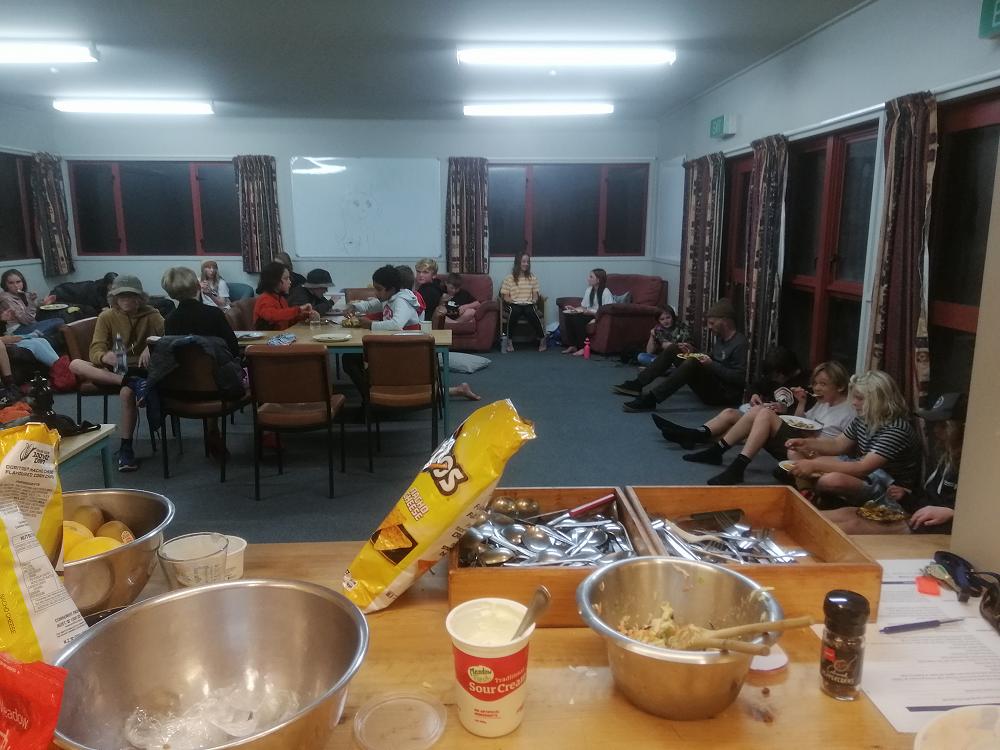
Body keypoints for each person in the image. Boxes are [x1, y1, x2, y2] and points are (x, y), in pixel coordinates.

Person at [688, 360, 855, 485]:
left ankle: (735, 466)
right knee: (757, 411)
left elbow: (843, 448)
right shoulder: (823, 402)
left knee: (765, 414)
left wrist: (812, 440)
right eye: (815, 383)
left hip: (816, 454)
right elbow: (804, 422)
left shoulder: (848, 412)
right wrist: (802, 403)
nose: (817, 388)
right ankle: (718, 451)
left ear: (840, 386)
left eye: (823, 384)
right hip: (801, 442)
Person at [822, 393, 966, 535]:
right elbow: (928, 500)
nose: (936, 430)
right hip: (918, 513)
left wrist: (952, 513)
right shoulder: (946, 457)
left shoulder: (971, 465)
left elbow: (976, 513)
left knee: (854, 526)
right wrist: (905, 497)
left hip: (936, 527)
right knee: (849, 513)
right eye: (936, 424)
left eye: (943, 426)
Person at [784, 369, 921, 510]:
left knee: (831, 480)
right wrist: (806, 443)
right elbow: (837, 444)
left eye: (859, 398)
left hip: (888, 486)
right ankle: (808, 492)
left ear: (879, 400)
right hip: (866, 471)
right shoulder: (864, 418)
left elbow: (862, 468)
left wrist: (814, 466)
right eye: (854, 397)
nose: (854, 403)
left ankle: (811, 494)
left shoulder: (896, 430)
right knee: (795, 451)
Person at [68, 275, 165, 472]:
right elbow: (95, 349)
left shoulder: (152, 315)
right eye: (122, 296)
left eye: (131, 296)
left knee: (127, 394)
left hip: (141, 369)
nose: (126, 300)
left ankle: (126, 448)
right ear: (114, 298)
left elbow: (170, 338)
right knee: (75, 364)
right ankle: (130, 382)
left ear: (140, 298)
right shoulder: (107, 317)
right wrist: (104, 356)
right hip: (115, 370)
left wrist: (152, 345)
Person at [652, 345, 810, 453]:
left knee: (737, 429)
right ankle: (691, 434)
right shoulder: (774, 377)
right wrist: (754, 395)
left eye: (775, 376)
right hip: (760, 415)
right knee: (729, 413)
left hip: (776, 427)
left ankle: (689, 434)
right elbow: (754, 386)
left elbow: (805, 419)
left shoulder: (806, 385)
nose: (773, 380)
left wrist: (786, 409)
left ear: (783, 372)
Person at [160, 266, 241, 459]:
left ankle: (211, 429)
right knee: (224, 368)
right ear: (198, 286)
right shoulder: (213, 314)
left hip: (181, 388)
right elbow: (233, 349)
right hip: (218, 388)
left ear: (170, 293)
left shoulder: (170, 320)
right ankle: (215, 428)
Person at [620, 298, 747, 412]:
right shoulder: (721, 338)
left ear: (725, 321)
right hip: (711, 382)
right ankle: (638, 383)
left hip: (723, 394)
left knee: (692, 361)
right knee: (675, 348)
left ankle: (651, 399)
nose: (709, 327)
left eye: (712, 323)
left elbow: (739, 377)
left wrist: (710, 364)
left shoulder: (739, 343)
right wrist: (693, 351)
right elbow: (712, 357)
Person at [341, 265, 422, 396]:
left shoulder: (402, 301)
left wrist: (371, 324)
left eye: (379, 289)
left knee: (350, 360)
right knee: (350, 358)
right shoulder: (389, 298)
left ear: (392, 289)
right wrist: (353, 307)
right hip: (391, 346)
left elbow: (396, 325)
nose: (375, 293)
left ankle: (369, 397)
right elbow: (369, 305)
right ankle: (369, 394)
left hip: (406, 349)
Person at [500, 252, 545, 352]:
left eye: (527, 262)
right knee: (515, 311)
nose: (526, 264)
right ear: (518, 263)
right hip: (514, 304)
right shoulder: (509, 278)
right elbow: (505, 296)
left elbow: (535, 294)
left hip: (528, 304)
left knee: (530, 312)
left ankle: (542, 339)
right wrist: (512, 301)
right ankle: (509, 342)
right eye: (523, 262)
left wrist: (534, 300)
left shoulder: (532, 277)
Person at [562, 268, 613, 356]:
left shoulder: (606, 292)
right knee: (569, 316)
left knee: (578, 319)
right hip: (587, 313)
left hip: (598, 316)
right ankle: (573, 345)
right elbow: (583, 307)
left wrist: (592, 313)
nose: (588, 279)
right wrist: (574, 309)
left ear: (598, 280)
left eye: (591, 277)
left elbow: (607, 310)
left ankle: (582, 347)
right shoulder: (589, 290)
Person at [253, 262, 316, 330]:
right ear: (274, 281)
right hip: (268, 336)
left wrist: (306, 315)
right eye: (286, 278)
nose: (290, 282)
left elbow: (287, 320)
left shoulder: (281, 299)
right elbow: (272, 316)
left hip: (281, 335)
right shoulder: (264, 299)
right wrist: (298, 309)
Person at [0, 269, 64, 337]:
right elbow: (26, 320)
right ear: (5, 285)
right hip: (18, 329)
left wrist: (43, 303)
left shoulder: (22, 294)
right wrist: (31, 302)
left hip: (31, 324)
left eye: (18, 282)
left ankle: (38, 335)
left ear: (23, 282)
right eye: (11, 283)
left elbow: (28, 309)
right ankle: (33, 336)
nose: (16, 285)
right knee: (58, 321)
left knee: (60, 315)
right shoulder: (6, 299)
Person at [47, 272, 118, 318]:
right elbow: (99, 305)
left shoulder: (116, 288)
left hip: (81, 297)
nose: (115, 288)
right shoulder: (96, 289)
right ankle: (51, 297)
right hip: (68, 293)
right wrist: (103, 309)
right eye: (112, 285)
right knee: (90, 311)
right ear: (107, 284)